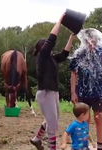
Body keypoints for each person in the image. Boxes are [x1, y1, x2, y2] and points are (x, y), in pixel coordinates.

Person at [30, 13, 76, 150]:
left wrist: (71, 38)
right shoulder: (42, 56)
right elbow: (51, 40)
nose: (48, 47)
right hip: (46, 92)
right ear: (41, 48)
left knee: (51, 121)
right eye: (45, 45)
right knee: (53, 125)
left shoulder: (51, 59)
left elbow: (64, 54)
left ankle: (37, 139)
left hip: (52, 93)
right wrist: (60, 21)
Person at [70, 28, 102, 150]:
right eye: (88, 38)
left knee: (99, 118)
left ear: (96, 39)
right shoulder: (79, 54)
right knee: (84, 120)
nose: (91, 41)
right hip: (82, 92)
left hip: (99, 92)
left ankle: (100, 146)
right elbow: (74, 73)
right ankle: (83, 146)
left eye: (93, 38)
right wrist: (73, 92)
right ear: (85, 40)